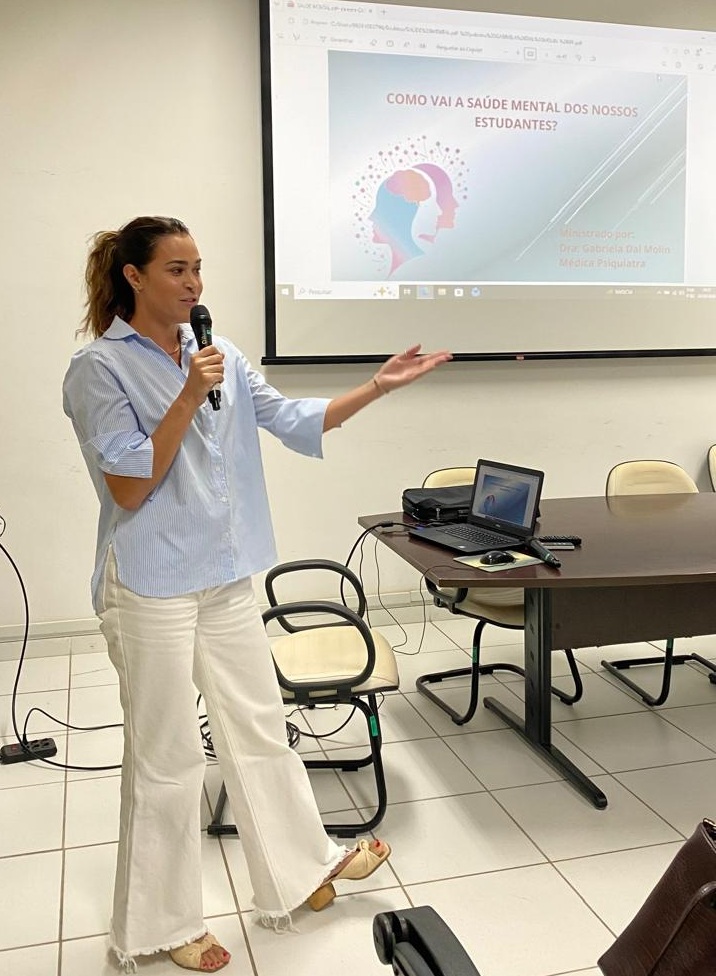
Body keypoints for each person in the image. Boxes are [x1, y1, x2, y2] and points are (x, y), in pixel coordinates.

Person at [62, 215, 452, 974]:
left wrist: (376, 386)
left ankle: (302, 871)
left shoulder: (222, 354)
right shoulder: (98, 369)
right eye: (176, 269)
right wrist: (184, 395)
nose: (194, 284)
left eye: (198, 268)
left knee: (260, 727)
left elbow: (290, 418)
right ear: (134, 277)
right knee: (168, 755)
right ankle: (160, 925)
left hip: (224, 574)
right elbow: (130, 481)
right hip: (149, 584)